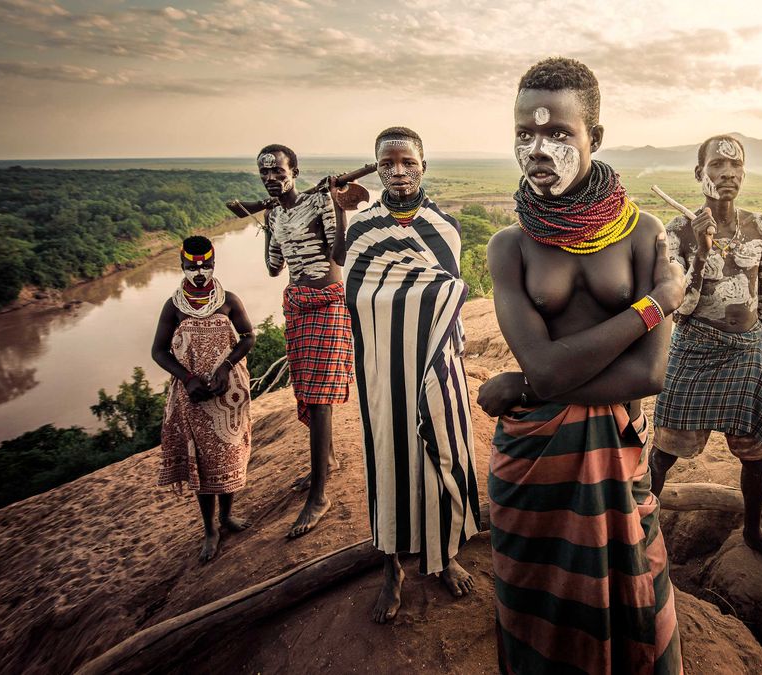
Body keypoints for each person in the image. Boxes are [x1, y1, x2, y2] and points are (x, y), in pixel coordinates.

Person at [477, 57, 684, 674]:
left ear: (596, 136)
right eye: (525, 134)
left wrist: (539, 383)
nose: (538, 149)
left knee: (637, 597)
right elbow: (541, 371)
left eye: (559, 134)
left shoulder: (642, 233)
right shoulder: (509, 246)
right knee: (539, 605)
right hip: (534, 459)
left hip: (615, 454)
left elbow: (650, 376)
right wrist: (652, 307)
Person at [332, 127, 479, 624]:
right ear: (376, 167)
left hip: (437, 363)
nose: (397, 171)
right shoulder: (361, 231)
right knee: (389, 458)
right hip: (381, 367)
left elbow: (449, 299)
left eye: (407, 162)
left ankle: (443, 557)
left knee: (441, 451)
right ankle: (392, 565)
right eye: (387, 163)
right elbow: (355, 297)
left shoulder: (445, 228)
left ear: (423, 165)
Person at [650, 135, 762, 570]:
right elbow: (682, 306)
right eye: (717, 165)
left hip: (749, 353)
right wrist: (701, 252)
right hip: (695, 351)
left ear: (744, 174)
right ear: (701, 174)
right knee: (664, 451)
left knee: (756, 454)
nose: (728, 173)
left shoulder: (761, 228)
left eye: (736, 166)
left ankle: (753, 532)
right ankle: (639, 530)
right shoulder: (677, 231)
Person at [257, 144, 355, 538]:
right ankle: (326, 462)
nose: (270, 178)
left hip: (328, 303)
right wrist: (269, 225)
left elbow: (341, 254)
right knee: (308, 392)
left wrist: (339, 207)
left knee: (319, 400)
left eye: (277, 171)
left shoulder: (319, 204)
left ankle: (318, 497)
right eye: (263, 173)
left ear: (293, 170)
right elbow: (272, 267)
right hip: (298, 304)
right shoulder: (276, 213)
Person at [153, 235, 255, 563]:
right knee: (202, 463)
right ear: (181, 266)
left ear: (214, 264)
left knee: (228, 456)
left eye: (206, 266)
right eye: (192, 267)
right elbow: (158, 350)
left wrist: (226, 366)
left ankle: (226, 517)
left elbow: (249, 336)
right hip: (192, 396)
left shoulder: (229, 300)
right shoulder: (173, 306)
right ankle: (210, 528)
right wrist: (187, 378)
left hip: (229, 396)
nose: (199, 272)